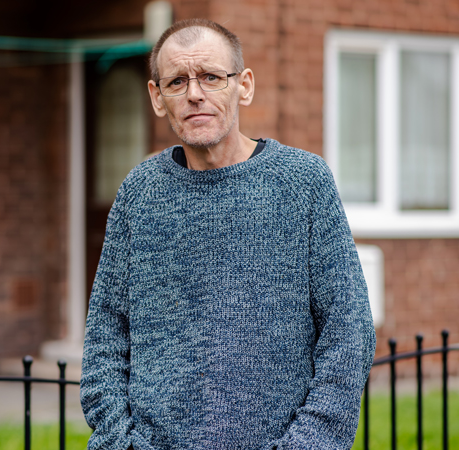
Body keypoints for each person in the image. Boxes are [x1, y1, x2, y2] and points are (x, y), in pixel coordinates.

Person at [80, 18, 376, 450]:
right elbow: (105, 336)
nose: (194, 94)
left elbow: (349, 331)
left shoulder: (303, 182)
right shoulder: (139, 193)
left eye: (211, 77)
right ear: (157, 97)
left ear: (244, 86)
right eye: (177, 81)